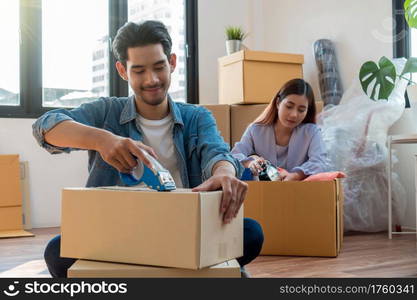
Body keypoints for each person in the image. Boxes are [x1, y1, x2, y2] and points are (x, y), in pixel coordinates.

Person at [32, 20, 263, 278]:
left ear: (172, 62)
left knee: (251, 232)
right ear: (122, 70)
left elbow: (218, 154)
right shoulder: (107, 111)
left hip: (182, 229)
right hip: (118, 233)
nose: (151, 79)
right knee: (56, 251)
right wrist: (103, 140)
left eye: (159, 67)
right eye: (139, 71)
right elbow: (45, 127)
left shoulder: (197, 117)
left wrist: (225, 173)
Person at [231, 78, 328, 181]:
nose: (294, 114)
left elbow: (320, 162)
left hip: (299, 192)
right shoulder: (255, 130)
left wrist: (296, 175)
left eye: (301, 110)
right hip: (263, 192)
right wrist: (250, 162)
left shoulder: (312, 132)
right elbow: (234, 155)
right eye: (289, 106)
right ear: (278, 102)